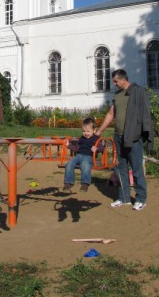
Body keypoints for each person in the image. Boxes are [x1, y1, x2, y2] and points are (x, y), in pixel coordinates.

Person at [96, 69, 153, 211]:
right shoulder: (117, 95)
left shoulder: (137, 92)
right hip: (118, 136)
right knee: (121, 168)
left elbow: (145, 112)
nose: (114, 84)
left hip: (133, 136)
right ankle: (124, 197)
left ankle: (140, 198)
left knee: (136, 168)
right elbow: (111, 114)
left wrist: (144, 132)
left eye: (116, 81)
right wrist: (99, 131)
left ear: (123, 80)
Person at [63, 118, 101, 193]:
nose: (85, 133)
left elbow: (102, 148)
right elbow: (77, 148)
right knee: (69, 164)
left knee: (85, 164)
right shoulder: (81, 139)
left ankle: (85, 183)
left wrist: (96, 148)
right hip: (79, 155)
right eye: (84, 131)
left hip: (89, 156)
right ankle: (69, 182)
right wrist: (69, 146)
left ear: (94, 130)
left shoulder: (96, 139)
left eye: (88, 131)